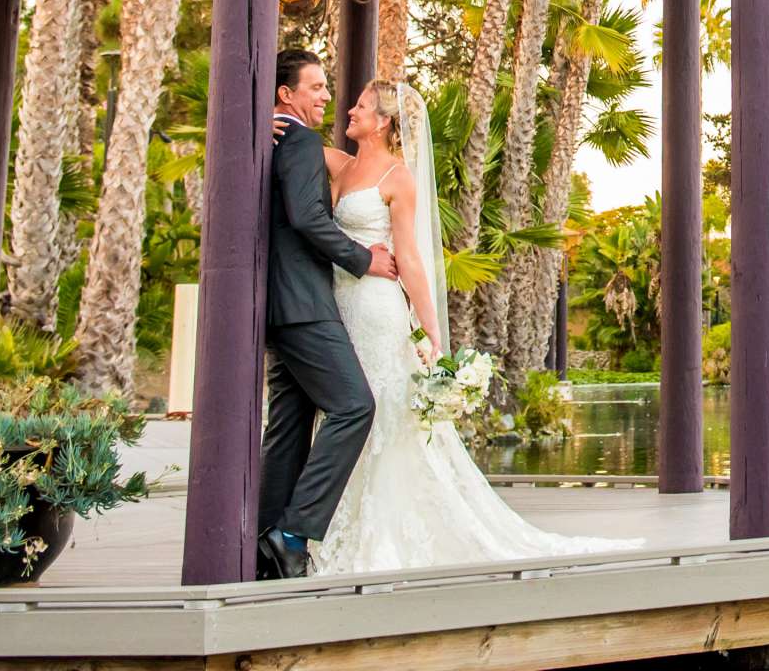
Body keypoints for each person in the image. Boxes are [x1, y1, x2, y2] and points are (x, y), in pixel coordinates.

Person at [308, 77, 640, 574]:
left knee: (383, 409)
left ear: (383, 122)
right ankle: (331, 521)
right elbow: (295, 144)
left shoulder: (396, 177)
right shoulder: (340, 164)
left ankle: (384, 532)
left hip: (377, 308)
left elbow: (412, 260)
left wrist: (431, 333)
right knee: (346, 409)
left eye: (360, 106)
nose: (348, 110)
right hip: (338, 305)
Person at [254, 49, 395, 581]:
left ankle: (264, 548)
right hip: (305, 304)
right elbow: (308, 217)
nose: (325, 97)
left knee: (288, 425)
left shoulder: (273, 135)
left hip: (279, 306)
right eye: (315, 87)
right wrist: (364, 259)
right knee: (356, 406)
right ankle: (292, 532)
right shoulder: (299, 139)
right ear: (286, 94)